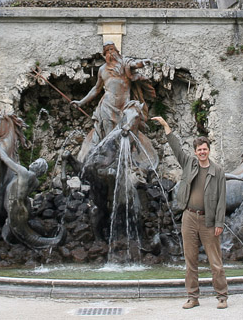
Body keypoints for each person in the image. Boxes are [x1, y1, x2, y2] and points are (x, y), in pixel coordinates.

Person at [151, 116, 228, 310]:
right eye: (199, 150)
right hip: (189, 217)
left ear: (209, 151)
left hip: (209, 220)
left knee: (215, 261)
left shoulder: (217, 171)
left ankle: (222, 296)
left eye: (205, 149)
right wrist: (166, 127)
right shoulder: (189, 164)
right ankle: (193, 297)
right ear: (195, 152)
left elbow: (221, 199)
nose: (202, 152)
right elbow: (177, 148)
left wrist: (220, 222)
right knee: (190, 260)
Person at [71, 42, 153, 161]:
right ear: (104, 55)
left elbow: (134, 64)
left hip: (125, 105)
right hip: (107, 106)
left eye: (112, 49)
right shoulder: (102, 70)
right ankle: (111, 161)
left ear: (117, 51)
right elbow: (96, 89)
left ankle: (129, 158)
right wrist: (81, 102)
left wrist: (142, 63)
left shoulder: (124, 63)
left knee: (129, 130)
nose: (110, 53)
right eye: (107, 51)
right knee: (110, 137)